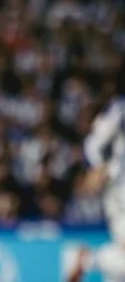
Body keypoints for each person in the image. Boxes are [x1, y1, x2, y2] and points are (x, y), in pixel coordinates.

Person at [81, 70, 125, 282]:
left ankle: (90, 259)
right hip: (120, 191)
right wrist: (99, 166)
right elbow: (94, 142)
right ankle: (90, 259)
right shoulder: (120, 108)